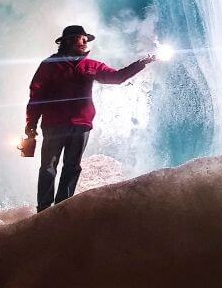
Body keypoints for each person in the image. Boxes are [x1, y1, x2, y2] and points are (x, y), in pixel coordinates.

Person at [25, 25, 155, 213]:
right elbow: (36, 94)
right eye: (81, 38)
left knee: (72, 167)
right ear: (68, 41)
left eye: (86, 38)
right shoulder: (49, 65)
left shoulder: (91, 65)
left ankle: (61, 209)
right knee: (48, 167)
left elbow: (117, 77)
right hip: (54, 125)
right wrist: (31, 123)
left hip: (81, 126)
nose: (85, 41)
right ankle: (43, 209)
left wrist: (142, 63)